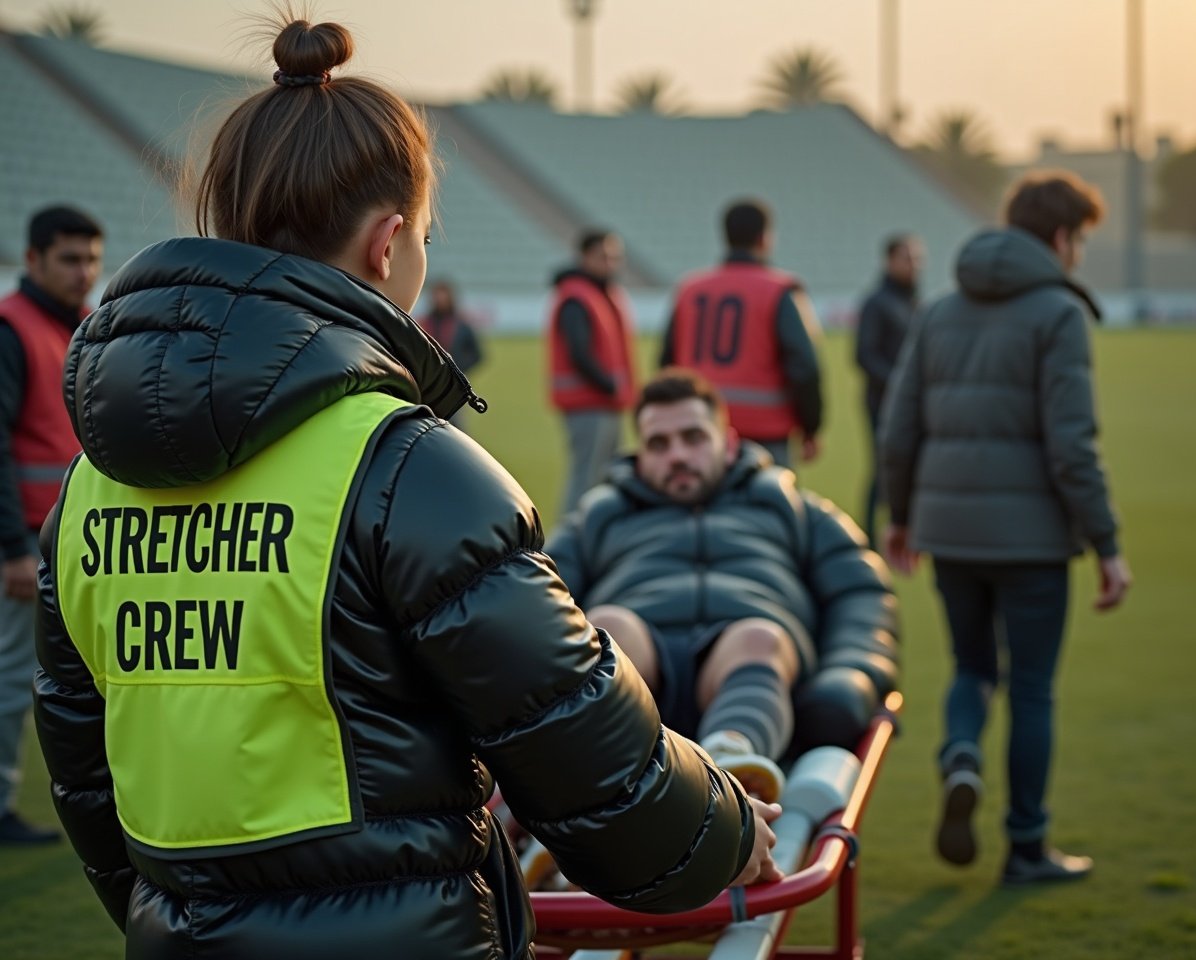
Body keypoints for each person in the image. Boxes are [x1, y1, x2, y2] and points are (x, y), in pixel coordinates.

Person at [32, 18, 779, 959]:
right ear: (390, 245)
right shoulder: (408, 466)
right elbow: (588, 756)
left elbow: (89, 787)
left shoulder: (87, 491)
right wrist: (726, 830)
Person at [878, 170, 1133, 886]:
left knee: (970, 667)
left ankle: (961, 757)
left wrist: (901, 518)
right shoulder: (1059, 313)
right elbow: (1072, 445)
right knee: (1033, 689)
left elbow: (899, 431)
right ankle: (1026, 846)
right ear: (1062, 237)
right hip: (1031, 541)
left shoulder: (938, 310)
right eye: (1079, 239)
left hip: (949, 529)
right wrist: (1108, 546)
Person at [547, 368, 898, 803]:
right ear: (639, 454)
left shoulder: (791, 507)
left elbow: (861, 592)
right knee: (607, 627)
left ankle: (731, 771)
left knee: (758, 637)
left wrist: (849, 672)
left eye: (693, 438)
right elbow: (539, 600)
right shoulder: (599, 517)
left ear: (728, 444)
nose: (677, 455)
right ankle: (605, 785)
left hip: (754, 667)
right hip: (637, 680)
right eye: (659, 444)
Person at [0, 205, 102, 846]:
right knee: (11, 678)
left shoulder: (85, 328)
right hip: (26, 544)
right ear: (33, 260)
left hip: (77, 542)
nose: (84, 272)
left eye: (91, 258)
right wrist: (11, 547)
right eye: (69, 258)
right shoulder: (11, 330)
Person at [660, 199, 823, 468]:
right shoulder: (779, 290)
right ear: (764, 238)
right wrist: (811, 426)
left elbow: (667, 362)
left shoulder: (689, 289)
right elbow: (804, 365)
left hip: (701, 427)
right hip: (765, 430)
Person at [547, 229, 636, 518]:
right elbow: (579, 353)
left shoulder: (600, 294)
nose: (610, 263)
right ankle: (569, 544)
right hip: (588, 403)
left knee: (606, 477)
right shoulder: (577, 298)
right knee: (586, 479)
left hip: (605, 402)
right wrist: (608, 385)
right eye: (603, 257)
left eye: (615, 257)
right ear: (584, 257)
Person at [854, 233, 923, 548]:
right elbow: (864, 355)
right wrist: (899, 385)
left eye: (918, 259)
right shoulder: (877, 303)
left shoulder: (914, 303)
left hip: (912, 403)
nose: (914, 265)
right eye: (907, 258)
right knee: (884, 467)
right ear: (889, 260)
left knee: (912, 467)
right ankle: (867, 535)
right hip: (882, 401)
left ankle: (909, 530)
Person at [414, 277, 485, 431]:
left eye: (443, 295)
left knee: (456, 426)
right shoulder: (423, 323)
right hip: (427, 383)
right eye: (437, 295)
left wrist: (461, 369)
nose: (440, 299)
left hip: (454, 385)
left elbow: (478, 354)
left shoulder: (461, 324)